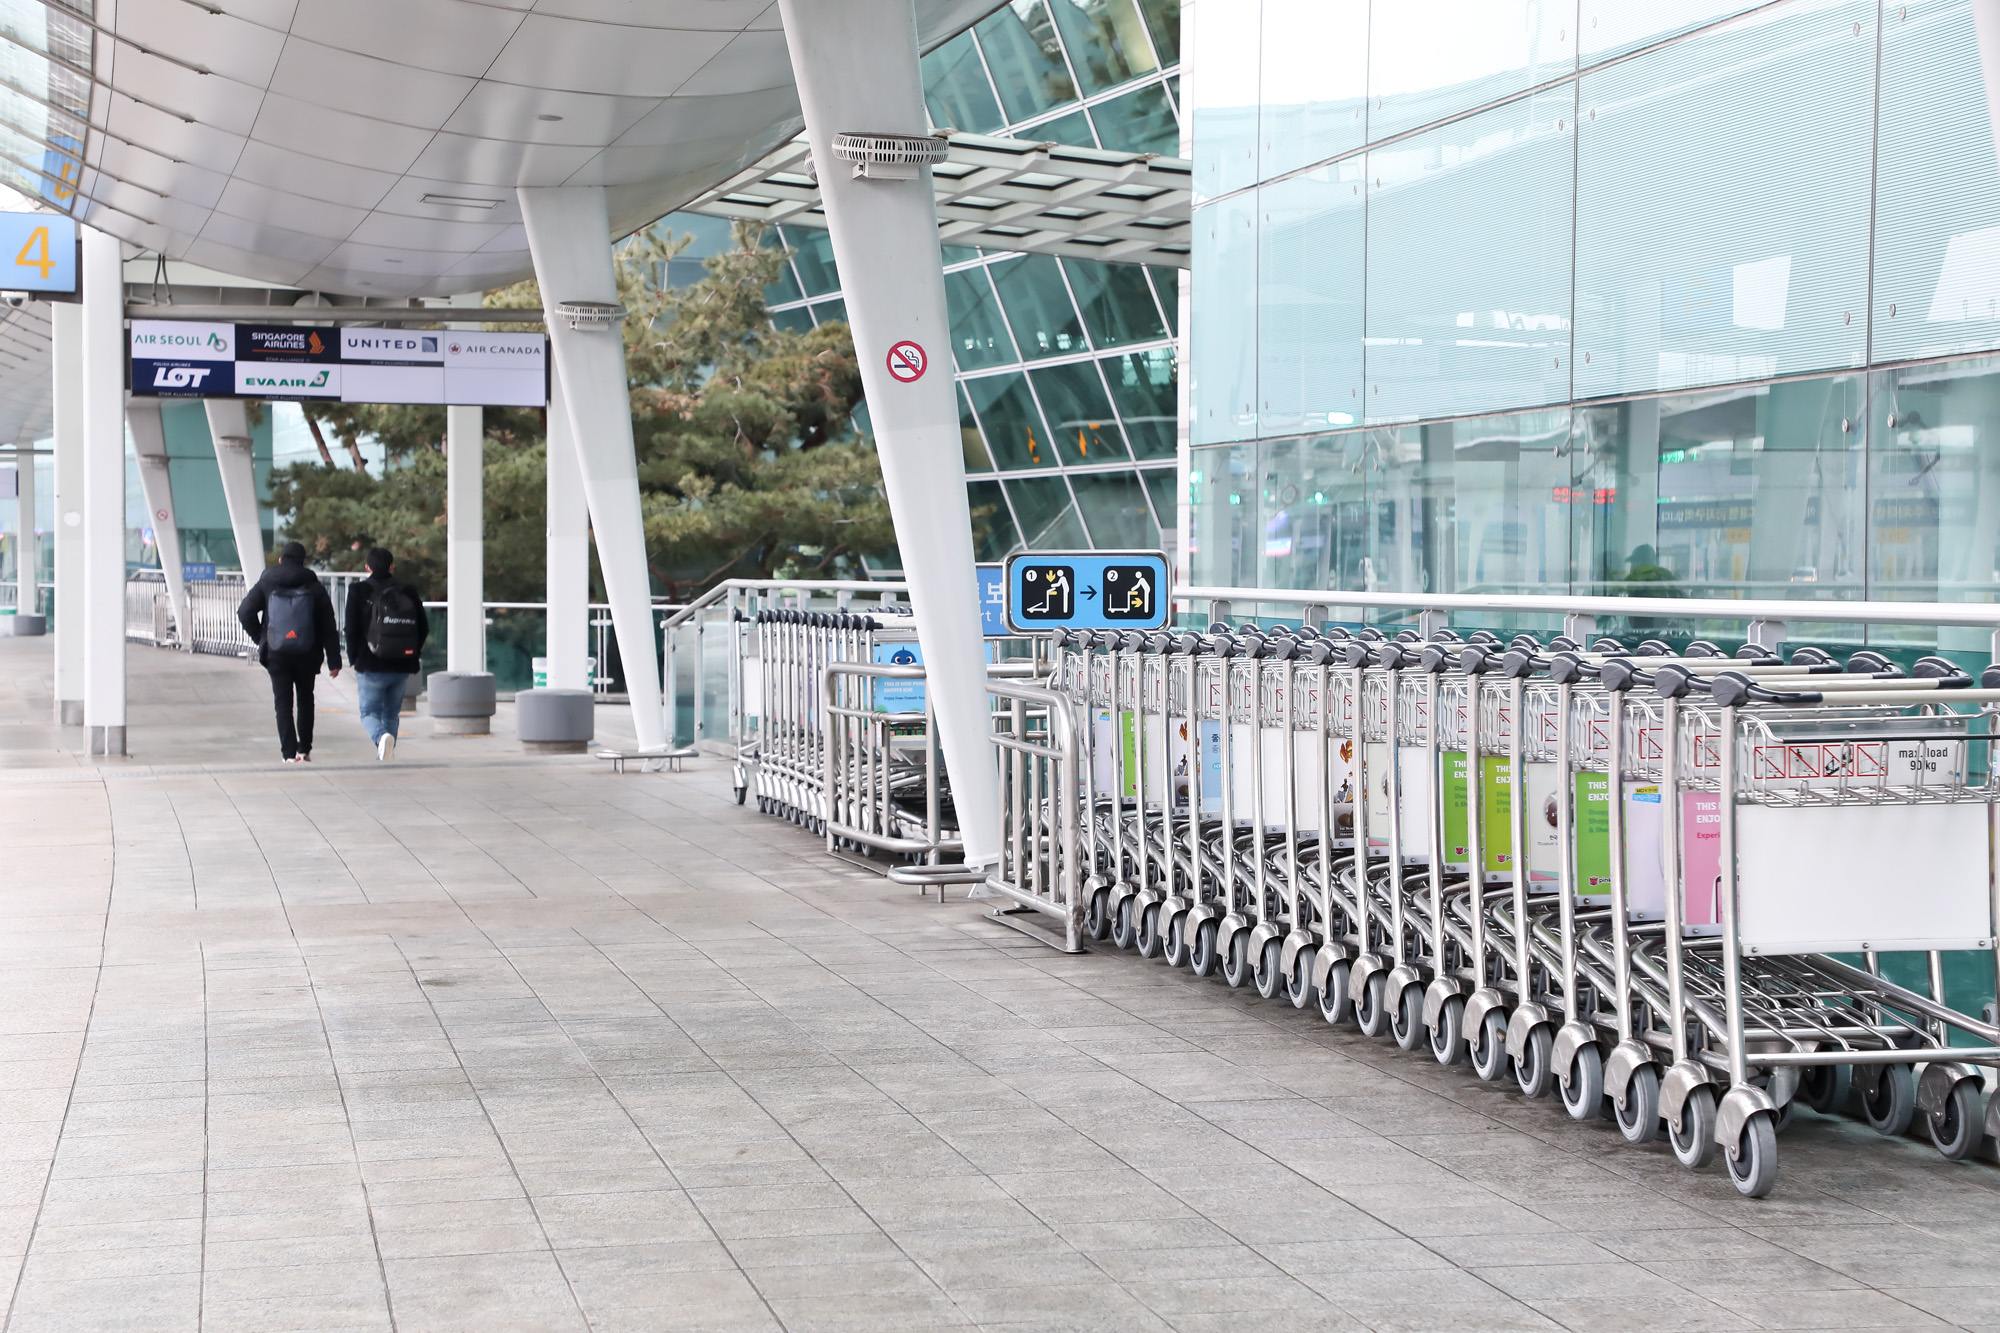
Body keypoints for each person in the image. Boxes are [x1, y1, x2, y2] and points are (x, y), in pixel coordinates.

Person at [237, 541, 341, 763]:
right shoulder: (314, 586)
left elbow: (244, 612)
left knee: (283, 703)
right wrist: (334, 660)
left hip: (277, 653)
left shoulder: (267, 582)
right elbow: (328, 625)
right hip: (307, 652)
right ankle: (304, 750)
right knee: (306, 699)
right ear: (304, 562)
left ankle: (288, 754)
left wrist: (263, 640)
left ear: (280, 560)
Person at [343, 547, 429, 761]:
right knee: (391, 713)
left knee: (369, 713)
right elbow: (423, 627)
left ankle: (381, 738)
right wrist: (412, 653)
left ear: (367, 567)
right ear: (392, 566)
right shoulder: (407, 591)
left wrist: (354, 658)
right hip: (401, 664)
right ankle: (386, 754)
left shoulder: (358, 591)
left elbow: (351, 629)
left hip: (370, 663)